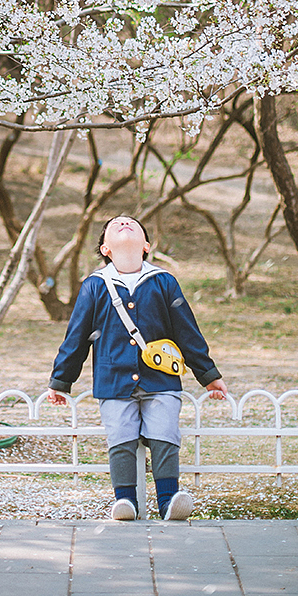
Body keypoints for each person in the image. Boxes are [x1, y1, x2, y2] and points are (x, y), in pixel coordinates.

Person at [46, 214, 228, 521]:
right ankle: (125, 501)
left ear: (146, 244)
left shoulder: (164, 282)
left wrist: (208, 375)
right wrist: (61, 380)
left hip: (162, 381)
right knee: (120, 437)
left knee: (165, 433)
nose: (124, 224)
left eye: (132, 223)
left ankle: (169, 501)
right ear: (105, 248)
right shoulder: (94, 286)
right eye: (116, 224)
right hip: (113, 382)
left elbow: (187, 332)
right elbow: (76, 336)